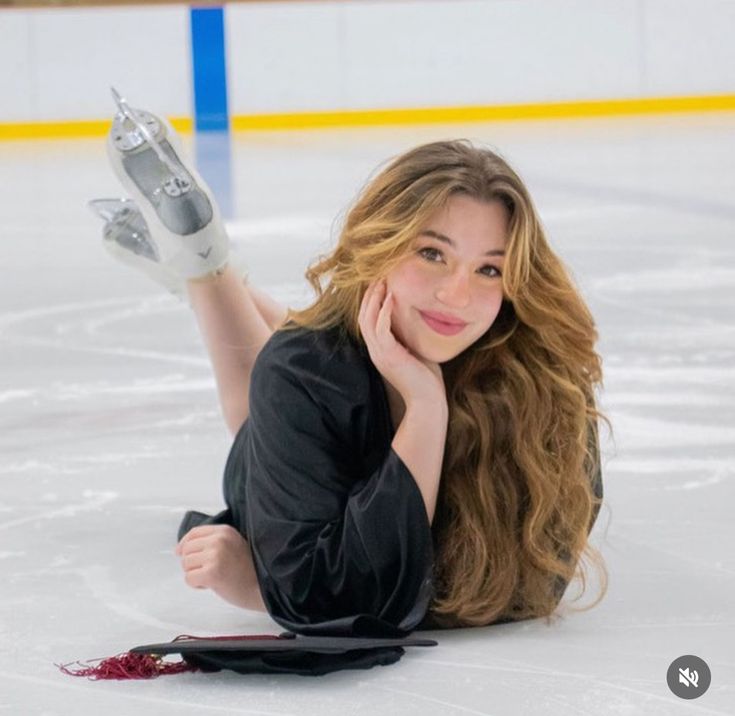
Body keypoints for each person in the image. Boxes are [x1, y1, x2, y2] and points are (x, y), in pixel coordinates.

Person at [93, 95, 607, 636]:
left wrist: (260, 585)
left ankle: (207, 268)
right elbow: (349, 598)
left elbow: (532, 582)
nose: (457, 295)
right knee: (266, 394)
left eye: (488, 270)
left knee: (318, 359)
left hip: (334, 361)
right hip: (303, 401)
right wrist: (426, 407)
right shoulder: (299, 370)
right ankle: (207, 269)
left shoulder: (547, 376)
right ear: (379, 246)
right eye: (431, 253)